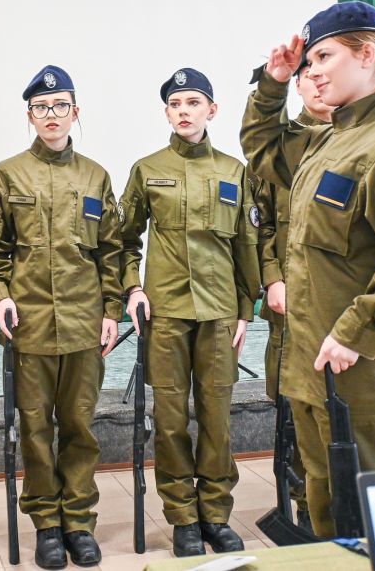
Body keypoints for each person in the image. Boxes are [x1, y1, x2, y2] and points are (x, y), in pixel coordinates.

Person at [240, 1, 375, 537]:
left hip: (364, 381)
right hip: (315, 370)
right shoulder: (332, 141)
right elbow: (263, 150)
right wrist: (273, 83)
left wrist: (355, 332)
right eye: (309, 61)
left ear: (366, 55)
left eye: (324, 57)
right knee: (328, 514)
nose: (312, 70)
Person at [0, 65, 123, 569]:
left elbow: (112, 250)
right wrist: (0, 295)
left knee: (80, 426)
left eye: (60, 106)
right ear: (30, 116)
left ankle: (79, 522)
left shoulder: (95, 176)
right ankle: (46, 522)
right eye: (41, 107)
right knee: (36, 428)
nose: (51, 115)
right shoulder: (9, 174)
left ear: (75, 112)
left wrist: (112, 309)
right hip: (31, 325)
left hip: (84, 323)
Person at [119, 68, 260, 557]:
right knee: (171, 419)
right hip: (167, 313)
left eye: (193, 102)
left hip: (219, 311)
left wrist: (246, 308)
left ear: (211, 110)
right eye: (176, 104)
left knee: (217, 419)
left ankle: (216, 514)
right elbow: (124, 240)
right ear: (167, 113)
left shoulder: (234, 171)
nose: (184, 111)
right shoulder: (147, 169)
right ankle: (182, 517)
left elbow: (246, 244)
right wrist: (133, 288)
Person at [252, 59, 335, 529]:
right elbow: (260, 225)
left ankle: (340, 506)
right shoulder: (280, 147)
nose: (319, 85)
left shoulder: (354, 141)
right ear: (298, 85)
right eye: (309, 78)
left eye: (325, 77)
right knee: (295, 409)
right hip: (291, 306)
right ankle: (304, 506)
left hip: (340, 306)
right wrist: (272, 278)